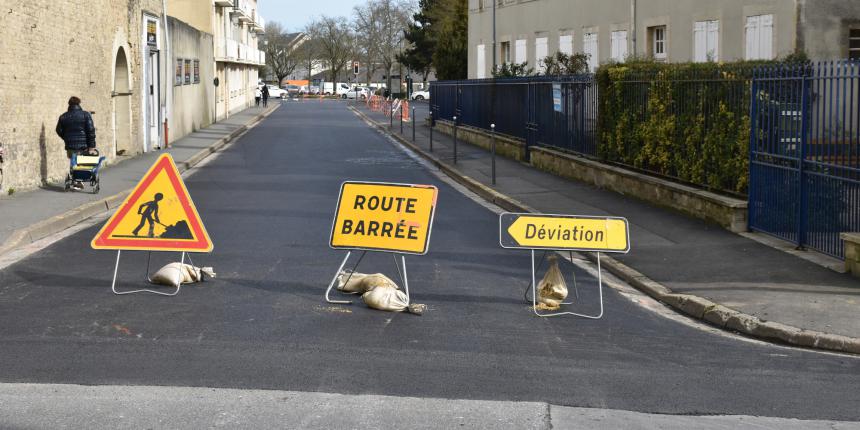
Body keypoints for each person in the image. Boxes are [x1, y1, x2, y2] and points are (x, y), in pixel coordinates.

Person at [55, 96, 96, 189]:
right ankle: (78, 180)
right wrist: (92, 146)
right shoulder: (85, 115)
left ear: (69, 104)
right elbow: (91, 131)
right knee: (80, 161)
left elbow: (58, 130)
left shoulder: (63, 116)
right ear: (79, 104)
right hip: (83, 144)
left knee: (73, 160)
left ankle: (75, 179)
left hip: (70, 144)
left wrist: (66, 137)